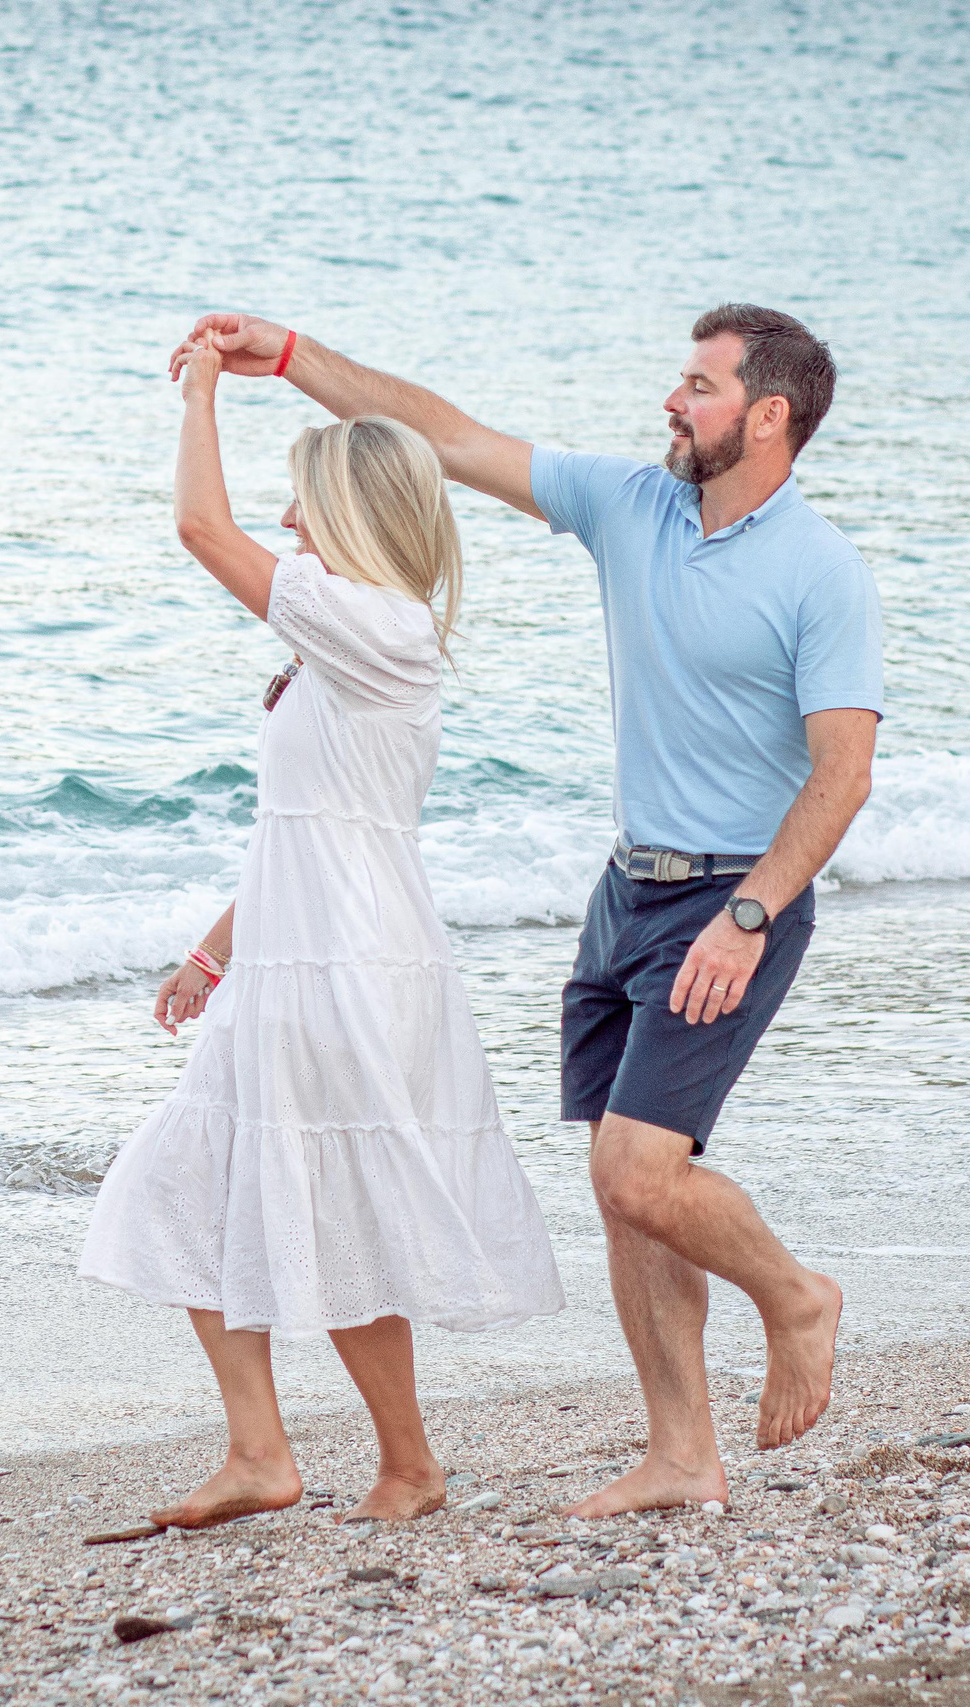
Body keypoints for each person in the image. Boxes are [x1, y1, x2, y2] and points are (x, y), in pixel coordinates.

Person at [168, 304, 882, 1518]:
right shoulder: (631, 505)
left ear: (768, 415)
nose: (671, 402)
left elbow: (842, 774)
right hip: (628, 889)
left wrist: (749, 916)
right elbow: (444, 437)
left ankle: (795, 1295)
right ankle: (681, 1455)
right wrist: (287, 359)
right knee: (625, 1189)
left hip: (733, 896)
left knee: (638, 1172)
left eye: (698, 386)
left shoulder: (821, 571)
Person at [77, 339, 566, 1529]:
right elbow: (307, 828)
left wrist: (200, 390)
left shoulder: (380, 627)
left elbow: (200, 527)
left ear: (352, 511)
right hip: (303, 948)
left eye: (303, 499)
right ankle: (261, 1454)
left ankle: (407, 1466)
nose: (287, 518)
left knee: (336, 1206)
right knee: (186, 1184)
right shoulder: (342, 643)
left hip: (348, 962)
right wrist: (214, 951)